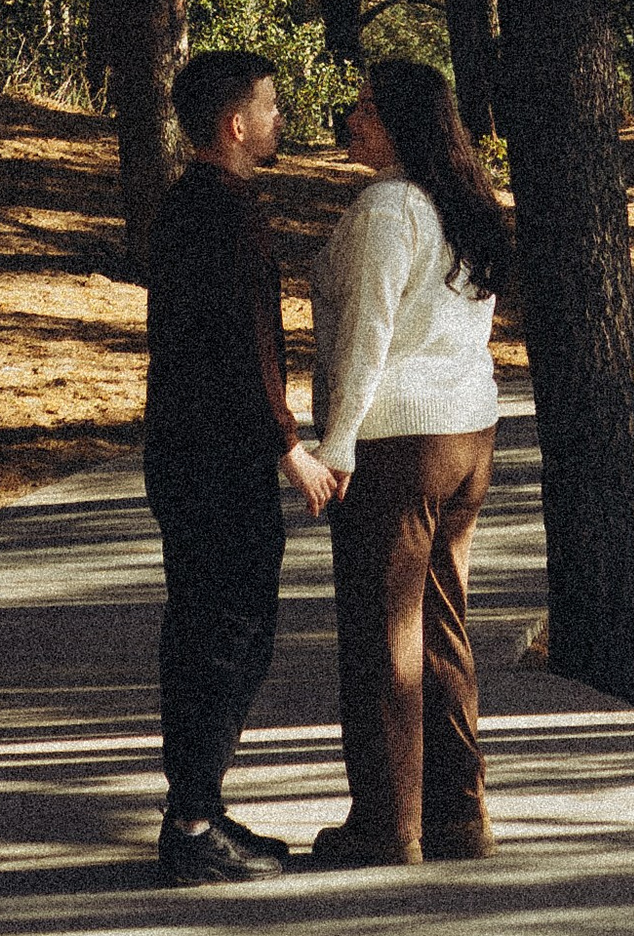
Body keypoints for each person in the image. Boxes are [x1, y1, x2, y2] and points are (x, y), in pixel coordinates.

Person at [309, 56, 513, 866]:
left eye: (365, 108)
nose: (350, 119)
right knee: (442, 628)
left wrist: (336, 443)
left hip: (397, 443)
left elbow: (368, 337)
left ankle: (387, 827)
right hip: (469, 435)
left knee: (381, 633)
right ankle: (461, 814)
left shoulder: (389, 207)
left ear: (402, 126)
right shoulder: (463, 204)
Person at [142, 49, 339, 887]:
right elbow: (247, 350)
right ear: (232, 125)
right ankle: (191, 825)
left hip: (186, 456)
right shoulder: (229, 217)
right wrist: (288, 447)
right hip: (217, 466)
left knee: (205, 633)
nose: (279, 119)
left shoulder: (187, 206)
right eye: (269, 107)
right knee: (228, 639)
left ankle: (198, 807)